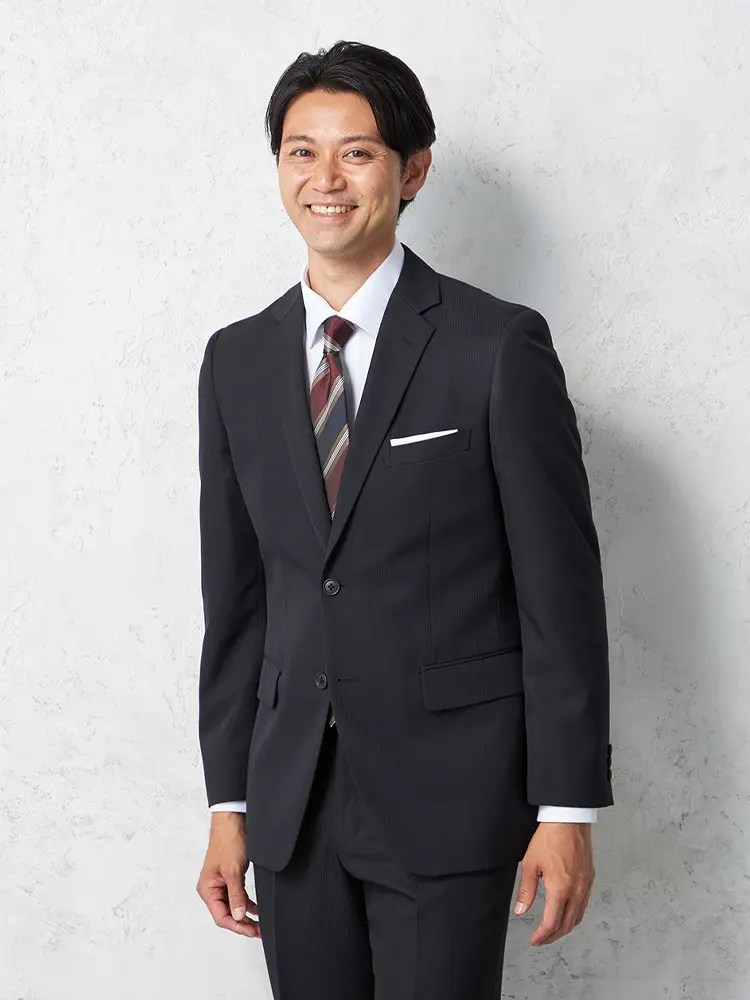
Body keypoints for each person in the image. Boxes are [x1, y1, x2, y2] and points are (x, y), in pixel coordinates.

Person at [194, 39, 613, 1000]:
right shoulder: (236, 361)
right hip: (292, 803)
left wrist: (567, 808)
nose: (326, 179)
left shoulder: (495, 346)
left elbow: (560, 598)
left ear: (412, 170)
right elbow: (238, 603)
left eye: (358, 152)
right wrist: (229, 801)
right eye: (302, 152)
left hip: (450, 797)